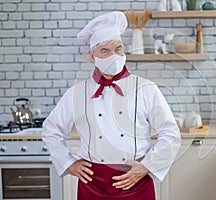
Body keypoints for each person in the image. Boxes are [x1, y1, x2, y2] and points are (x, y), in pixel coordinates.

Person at [42, 11, 181, 200]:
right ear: (92, 55)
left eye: (118, 49)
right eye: (105, 51)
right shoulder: (77, 93)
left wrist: (147, 166)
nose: (113, 55)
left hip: (135, 179)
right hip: (93, 182)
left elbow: (170, 134)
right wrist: (68, 163)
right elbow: (51, 130)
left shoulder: (146, 88)